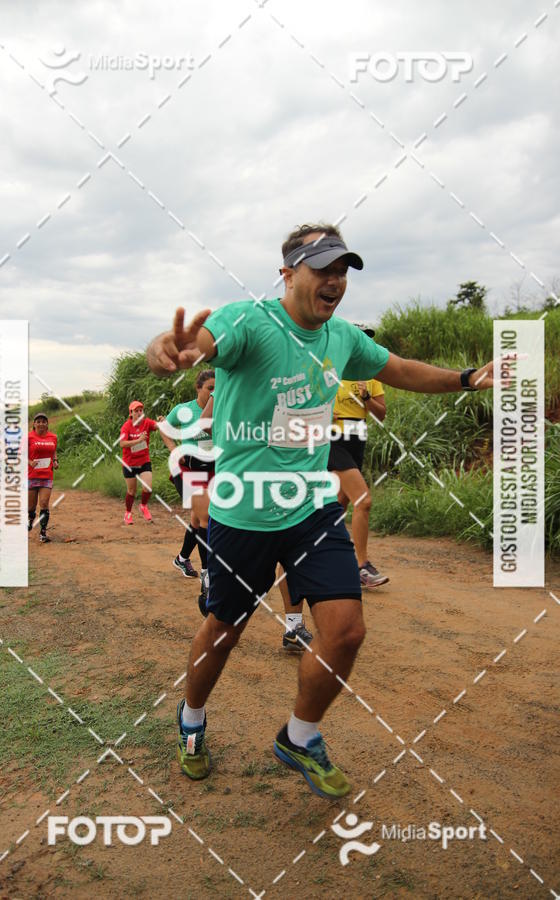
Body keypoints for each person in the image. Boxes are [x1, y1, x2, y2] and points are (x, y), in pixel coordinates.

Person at [146, 222, 494, 799]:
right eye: (322, 268)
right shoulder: (250, 320)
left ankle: (299, 736)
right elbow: (197, 344)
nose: (334, 281)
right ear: (287, 275)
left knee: (346, 630)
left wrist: (464, 379)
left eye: (342, 270)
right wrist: (170, 351)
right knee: (223, 632)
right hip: (245, 511)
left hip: (311, 507)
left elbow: (398, 369)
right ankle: (191, 719)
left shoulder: (342, 338)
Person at [329, 331, 388, 587]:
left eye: (368, 340)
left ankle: (325, 557)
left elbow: (381, 414)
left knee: (340, 504)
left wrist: (366, 398)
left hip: (358, 439)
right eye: (360, 339)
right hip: (333, 439)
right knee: (363, 501)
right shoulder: (331, 372)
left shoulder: (371, 378)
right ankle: (362, 566)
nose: (365, 344)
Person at [159, 370, 215, 604]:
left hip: (212, 467)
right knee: (204, 515)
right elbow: (164, 428)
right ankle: (207, 573)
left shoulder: (220, 409)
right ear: (198, 388)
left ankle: (182, 558)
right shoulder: (185, 409)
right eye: (209, 388)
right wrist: (175, 450)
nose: (213, 392)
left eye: (216, 388)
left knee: (197, 518)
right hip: (186, 468)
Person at [119, 401, 161, 524]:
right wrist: (138, 440)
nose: (139, 413)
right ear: (131, 413)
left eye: (140, 410)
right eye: (136, 411)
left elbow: (158, 426)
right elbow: (122, 443)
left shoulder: (147, 423)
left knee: (147, 488)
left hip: (143, 461)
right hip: (129, 463)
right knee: (131, 491)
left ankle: (143, 506)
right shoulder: (126, 426)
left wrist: (162, 421)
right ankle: (128, 513)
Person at [28, 413, 58, 542]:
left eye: (43, 421)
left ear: (47, 423)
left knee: (44, 503)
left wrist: (56, 460)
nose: (41, 424)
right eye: (38, 421)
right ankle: (30, 519)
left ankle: (43, 532)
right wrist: (30, 462)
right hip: (31, 475)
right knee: (31, 507)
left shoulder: (53, 437)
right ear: (34, 424)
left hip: (47, 475)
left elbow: (54, 450)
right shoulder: (29, 437)